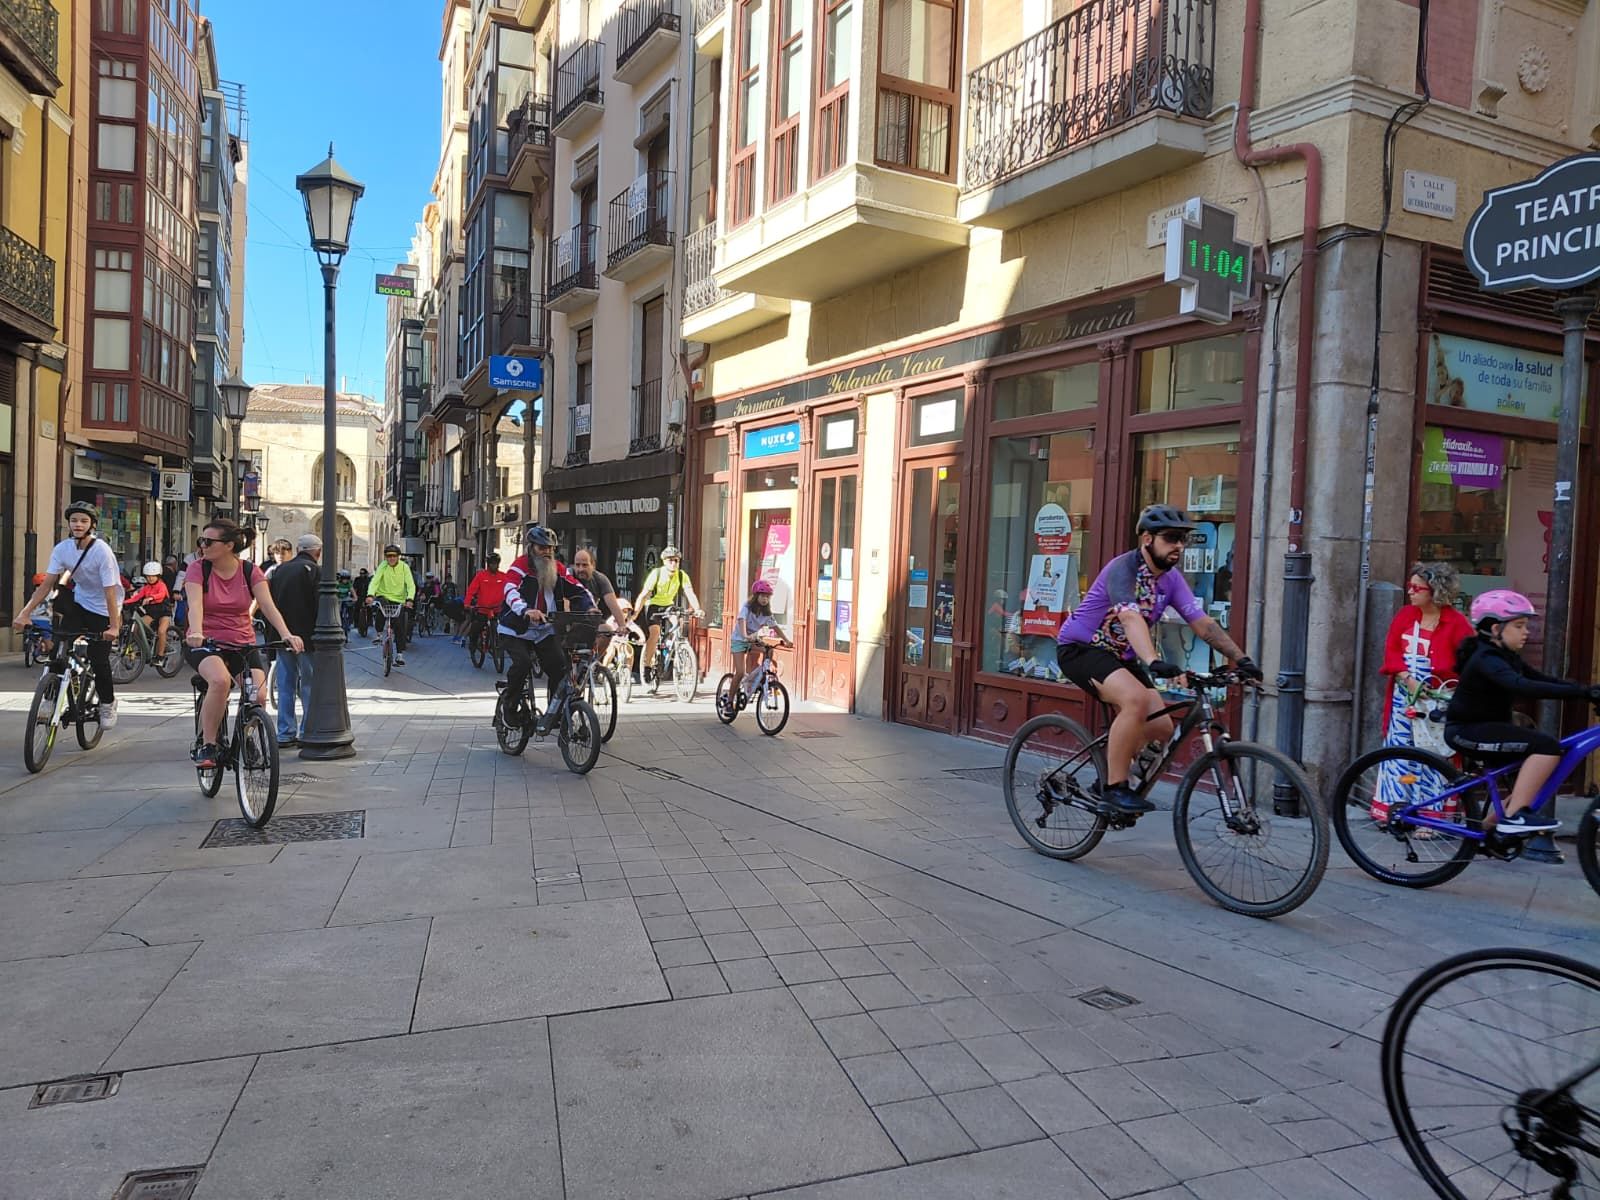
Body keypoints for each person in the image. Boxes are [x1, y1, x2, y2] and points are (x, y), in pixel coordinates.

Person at [1055, 505, 1261, 815]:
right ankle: (1114, 788)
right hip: (1081, 648)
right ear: (1147, 539)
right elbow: (1129, 618)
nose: (1179, 545)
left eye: (1183, 539)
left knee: (1163, 728)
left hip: (1122, 656)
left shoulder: (1171, 580)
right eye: (1171, 538)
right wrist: (1152, 659)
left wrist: (1241, 658)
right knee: (1136, 701)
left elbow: (1203, 623)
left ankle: (1114, 776)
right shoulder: (1122, 569)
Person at [1443, 590, 1600, 834]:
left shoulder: (1507, 656)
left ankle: (1485, 832)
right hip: (1467, 731)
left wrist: (1587, 691)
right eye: (1519, 625)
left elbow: (1541, 679)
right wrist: (1582, 694)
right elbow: (1522, 686)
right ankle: (1514, 817)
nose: (1526, 632)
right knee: (1547, 747)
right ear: (1495, 629)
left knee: (1544, 772)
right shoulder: (1487, 658)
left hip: (1491, 729)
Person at [184, 518, 303, 767]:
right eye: (201, 540)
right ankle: (208, 743)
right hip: (206, 642)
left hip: (242, 642)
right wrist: (195, 631)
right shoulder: (198, 568)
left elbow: (268, 606)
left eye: (208, 541)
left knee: (258, 696)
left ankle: (246, 736)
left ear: (228, 545)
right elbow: (195, 605)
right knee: (219, 681)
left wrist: (286, 634)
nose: (202, 545)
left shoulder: (250, 571)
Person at [13, 502, 124, 729]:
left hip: (105, 609)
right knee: (57, 650)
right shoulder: (63, 549)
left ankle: (107, 702)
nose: (78, 524)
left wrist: (114, 627)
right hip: (81, 604)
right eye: (74, 520)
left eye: (83, 521)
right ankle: (50, 699)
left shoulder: (102, 551)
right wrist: (24, 613)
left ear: (92, 524)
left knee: (98, 658)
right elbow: (46, 585)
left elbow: (110, 591)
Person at [497, 524, 595, 734]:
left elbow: (577, 589)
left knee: (560, 669)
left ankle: (555, 712)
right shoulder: (519, 567)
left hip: (544, 630)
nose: (547, 552)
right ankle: (509, 708)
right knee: (522, 664)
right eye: (542, 547)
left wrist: (590, 607)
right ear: (531, 547)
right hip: (516, 629)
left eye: (550, 548)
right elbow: (510, 590)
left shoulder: (558, 568)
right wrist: (525, 609)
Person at [1380, 563, 1473, 742]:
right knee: (1399, 746)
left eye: (1416, 588)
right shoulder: (1405, 614)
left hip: (1440, 701)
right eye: (1409, 586)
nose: (1410, 592)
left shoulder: (1458, 624)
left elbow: (1467, 665)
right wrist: (1408, 679)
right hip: (1403, 697)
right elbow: (1392, 651)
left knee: (1434, 752)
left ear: (1435, 591)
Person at [268, 534, 322, 748]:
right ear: (317, 551)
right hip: (306, 637)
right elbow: (320, 605)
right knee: (308, 684)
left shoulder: (279, 570)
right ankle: (307, 730)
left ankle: (285, 732)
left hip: (283, 637)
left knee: (285, 685)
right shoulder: (315, 571)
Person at [635, 545, 704, 686]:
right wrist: (635, 612)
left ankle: (677, 647)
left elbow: (690, 592)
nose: (673, 563)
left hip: (668, 605)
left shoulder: (681, 575)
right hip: (653, 605)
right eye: (670, 560)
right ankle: (647, 666)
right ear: (664, 561)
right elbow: (643, 595)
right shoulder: (656, 574)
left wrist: (697, 608)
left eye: (676, 560)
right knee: (654, 634)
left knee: (678, 623)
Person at [731, 579, 791, 697]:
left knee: (768, 650)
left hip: (752, 640)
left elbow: (775, 627)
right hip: (739, 640)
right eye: (763, 596)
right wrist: (745, 636)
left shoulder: (766, 613)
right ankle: (729, 700)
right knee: (740, 672)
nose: (765, 599)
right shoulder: (747, 607)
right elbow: (741, 620)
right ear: (756, 596)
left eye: (767, 597)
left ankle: (760, 677)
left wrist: (786, 640)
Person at [366, 544, 416, 664]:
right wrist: (370, 595)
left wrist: (410, 599)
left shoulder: (404, 567)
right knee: (381, 607)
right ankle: (378, 634)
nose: (391, 558)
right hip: (384, 595)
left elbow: (410, 584)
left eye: (394, 556)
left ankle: (399, 655)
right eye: (388, 556)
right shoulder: (383, 566)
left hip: (399, 599)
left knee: (399, 626)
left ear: (398, 556)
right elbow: (375, 581)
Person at [572, 545, 630, 629]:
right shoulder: (568, 576)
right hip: (570, 621)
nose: (580, 569)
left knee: (606, 629)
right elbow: (565, 602)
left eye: (585, 565)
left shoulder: (600, 579)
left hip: (591, 621)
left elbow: (613, 605)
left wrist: (622, 626)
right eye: (577, 565)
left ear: (593, 565)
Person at [126, 562, 174, 659]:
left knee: (161, 631)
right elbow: (137, 597)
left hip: (164, 612)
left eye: (153, 576)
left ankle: (160, 656)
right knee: (137, 628)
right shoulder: (146, 588)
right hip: (152, 613)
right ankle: (143, 648)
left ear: (158, 576)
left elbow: (161, 595)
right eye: (148, 576)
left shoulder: (162, 585)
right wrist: (123, 602)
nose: (150, 578)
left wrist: (151, 597)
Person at [462, 552, 507, 649]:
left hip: (498, 609)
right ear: (488, 564)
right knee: (477, 627)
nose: (493, 565)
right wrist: (467, 603)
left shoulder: (503, 576)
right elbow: (471, 590)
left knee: (504, 627)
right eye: (491, 563)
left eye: (495, 563)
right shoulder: (481, 576)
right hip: (483, 609)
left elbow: (510, 590)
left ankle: (498, 645)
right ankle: (473, 643)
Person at [352, 566, 372, 637]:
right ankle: (356, 623)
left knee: (370, 608)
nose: (362, 575)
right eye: (361, 573)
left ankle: (369, 622)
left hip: (367, 596)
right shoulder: (357, 579)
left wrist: (371, 597)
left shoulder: (369, 580)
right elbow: (354, 588)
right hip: (359, 596)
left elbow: (372, 588)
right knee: (356, 608)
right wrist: (355, 597)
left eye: (363, 573)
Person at [336, 568, 354, 634]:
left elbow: (353, 591)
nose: (345, 580)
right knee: (338, 610)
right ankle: (339, 622)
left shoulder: (349, 584)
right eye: (343, 578)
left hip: (346, 598)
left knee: (350, 608)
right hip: (339, 599)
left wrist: (355, 598)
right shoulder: (338, 584)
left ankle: (349, 622)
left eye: (346, 578)